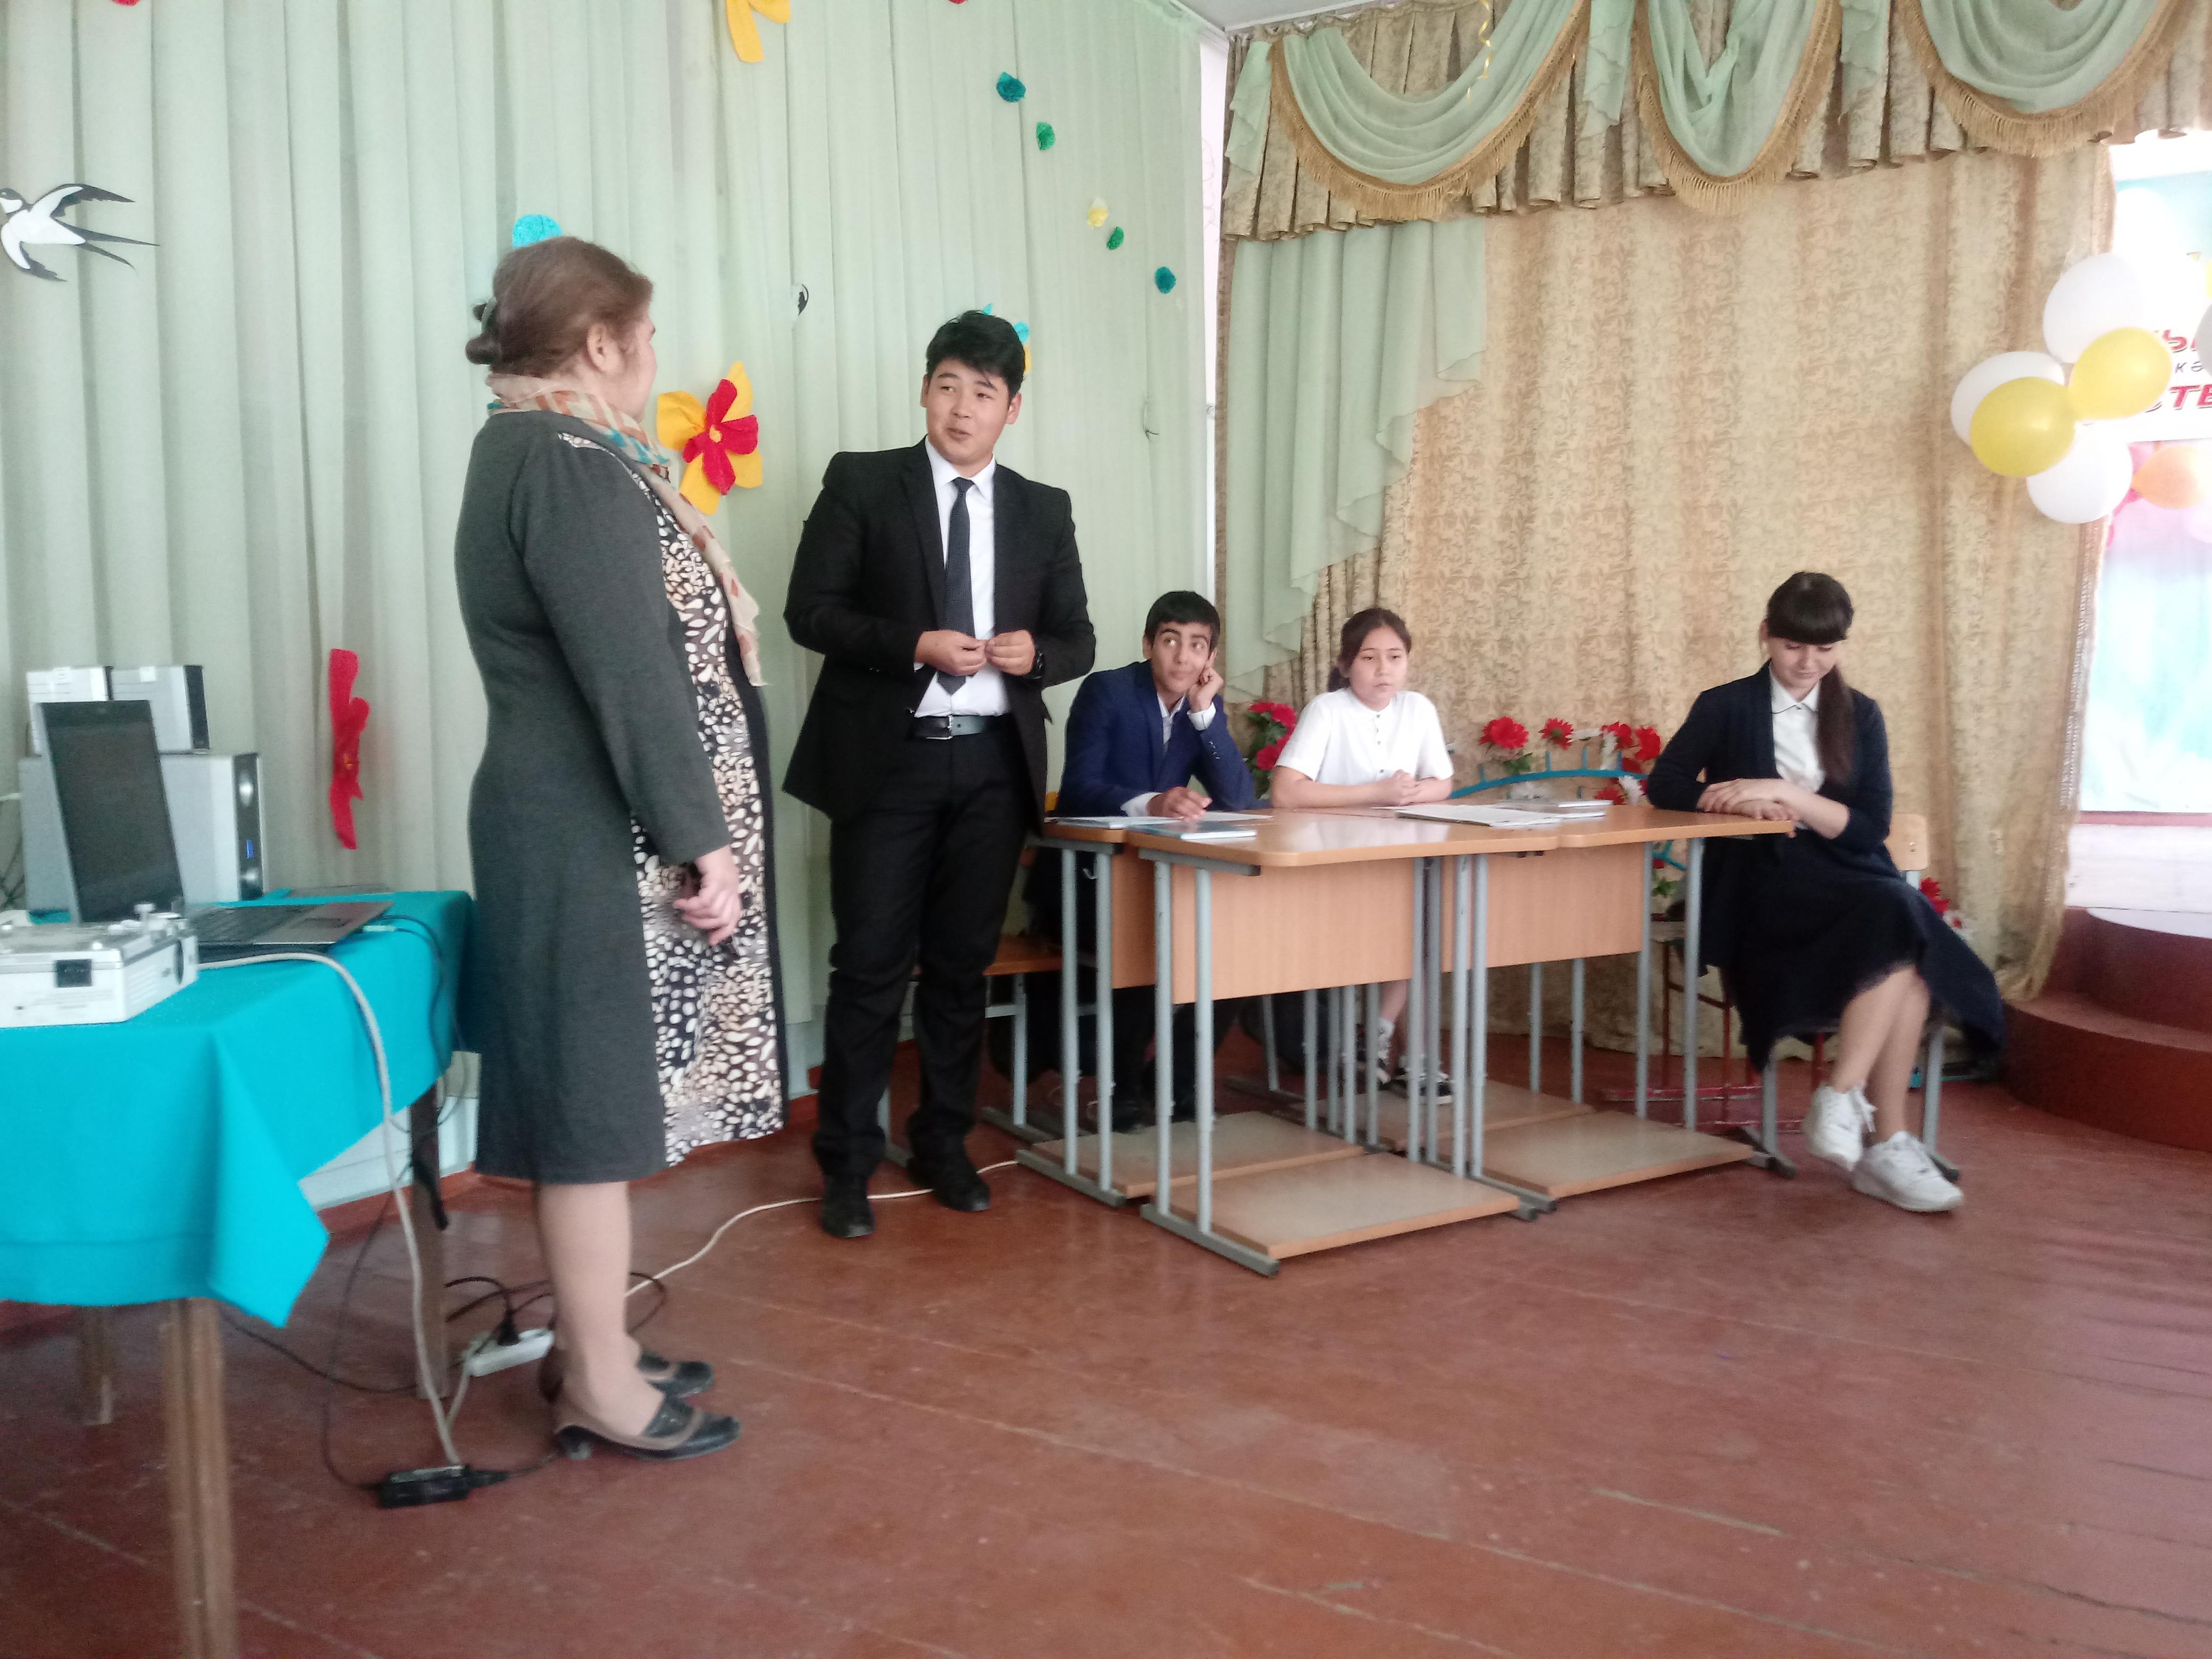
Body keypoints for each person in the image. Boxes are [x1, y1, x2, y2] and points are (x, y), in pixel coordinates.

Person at [455, 236, 786, 1460]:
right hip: (583, 837)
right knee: (593, 1114)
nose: (654, 359)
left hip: (575, 828)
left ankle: (591, 1341)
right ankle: (596, 1377)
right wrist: (704, 839)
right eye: (644, 338)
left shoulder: (538, 448)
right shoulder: (565, 463)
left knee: (601, 1102)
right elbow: (632, 675)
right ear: (601, 344)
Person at [785, 311, 1094, 1240]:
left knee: (962, 969)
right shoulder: (863, 482)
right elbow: (810, 611)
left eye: (984, 392)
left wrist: (1040, 655)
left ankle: (943, 1144)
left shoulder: (1044, 509)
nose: (964, 408)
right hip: (891, 763)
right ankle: (847, 1162)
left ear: (1012, 409)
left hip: (995, 767)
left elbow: (1079, 638)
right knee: (870, 966)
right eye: (949, 385)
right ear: (925, 390)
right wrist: (912, 644)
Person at [1645, 572, 2003, 1213]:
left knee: (1900, 928)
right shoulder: (1724, 705)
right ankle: (1883, 1141)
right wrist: (1732, 801)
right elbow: (1665, 784)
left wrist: (1786, 792)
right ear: (1765, 635)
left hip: (1847, 877)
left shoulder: (1859, 714)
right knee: (1906, 932)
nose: (1807, 663)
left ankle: (1846, 1101)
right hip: (1763, 884)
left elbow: (1867, 828)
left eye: (1824, 649)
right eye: (1792, 646)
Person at [1029, 591, 1256, 1124]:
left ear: (1210, 658)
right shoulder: (1107, 691)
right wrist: (1151, 802)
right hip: (1085, 879)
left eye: (1197, 645)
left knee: (1235, 950)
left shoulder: (1201, 707)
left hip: (1161, 879)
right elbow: (1078, 788)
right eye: (1171, 641)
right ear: (1149, 644)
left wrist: (1206, 717)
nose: (1182, 656)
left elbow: (1239, 798)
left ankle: (1173, 1078)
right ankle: (1121, 1087)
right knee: (1148, 936)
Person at [1269, 608, 1455, 1077]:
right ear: (1345, 664)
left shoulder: (1418, 709)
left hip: (1400, 854)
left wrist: (1410, 793)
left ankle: (1385, 1038)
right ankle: (1375, 1043)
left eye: (1395, 657)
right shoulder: (1327, 710)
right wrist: (1376, 793)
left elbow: (1443, 783)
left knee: (1426, 930)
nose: (1383, 669)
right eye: (1369, 658)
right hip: (1334, 861)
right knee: (1391, 933)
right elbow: (1286, 792)